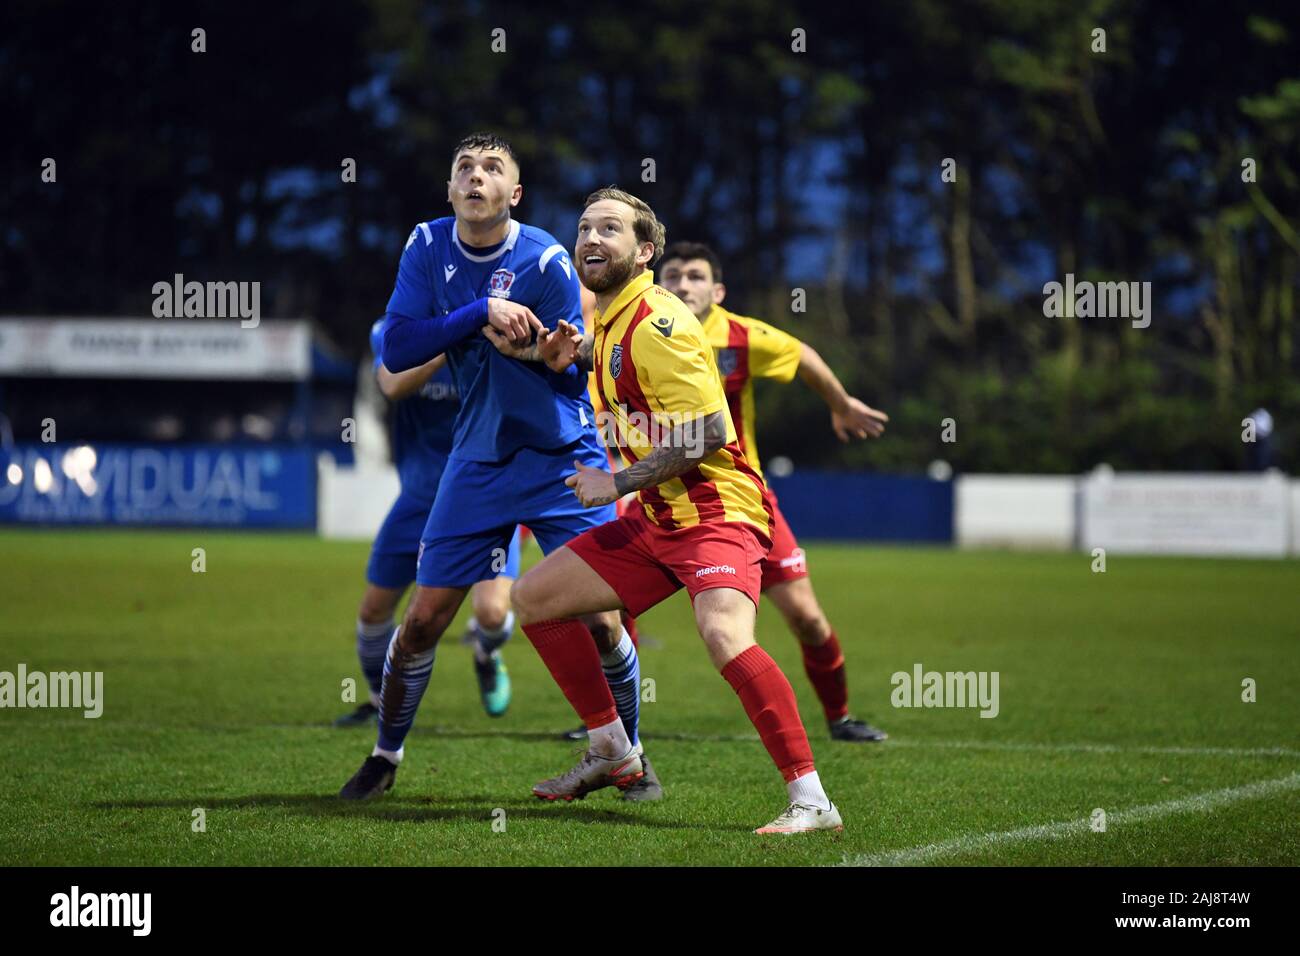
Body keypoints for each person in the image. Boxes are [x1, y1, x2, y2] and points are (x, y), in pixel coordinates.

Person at [504, 188, 843, 833]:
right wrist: (555, 356)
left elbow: (711, 429)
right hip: (656, 520)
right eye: (584, 228)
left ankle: (812, 801)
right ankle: (612, 750)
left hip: (715, 513)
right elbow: (616, 372)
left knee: (724, 638)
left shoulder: (657, 322)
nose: (592, 239)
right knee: (536, 597)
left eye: (611, 229)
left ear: (645, 252)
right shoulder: (609, 316)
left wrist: (617, 481)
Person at [338, 135, 648, 800]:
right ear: (451, 191)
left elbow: (575, 377)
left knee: (602, 619)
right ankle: (385, 755)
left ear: (516, 194)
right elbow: (395, 349)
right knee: (422, 620)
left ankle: (632, 755)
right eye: (463, 169)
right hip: (475, 462)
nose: (475, 177)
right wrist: (480, 313)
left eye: (492, 169)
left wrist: (554, 353)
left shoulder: (546, 258)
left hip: (562, 458)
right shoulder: (427, 245)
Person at [658, 242, 890, 741]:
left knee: (806, 617)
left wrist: (841, 403)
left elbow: (802, 354)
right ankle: (607, 728)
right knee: (603, 607)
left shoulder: (739, 336)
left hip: (742, 500)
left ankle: (840, 717)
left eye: (696, 276)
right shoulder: (637, 335)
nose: (682, 285)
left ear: (717, 291)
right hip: (660, 499)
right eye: (672, 275)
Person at [333, 317, 521, 729]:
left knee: (492, 613)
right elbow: (392, 384)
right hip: (420, 499)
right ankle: (378, 701)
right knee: (373, 611)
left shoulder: (497, 329)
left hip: (484, 499)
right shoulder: (392, 330)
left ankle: (486, 654)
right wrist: (448, 340)